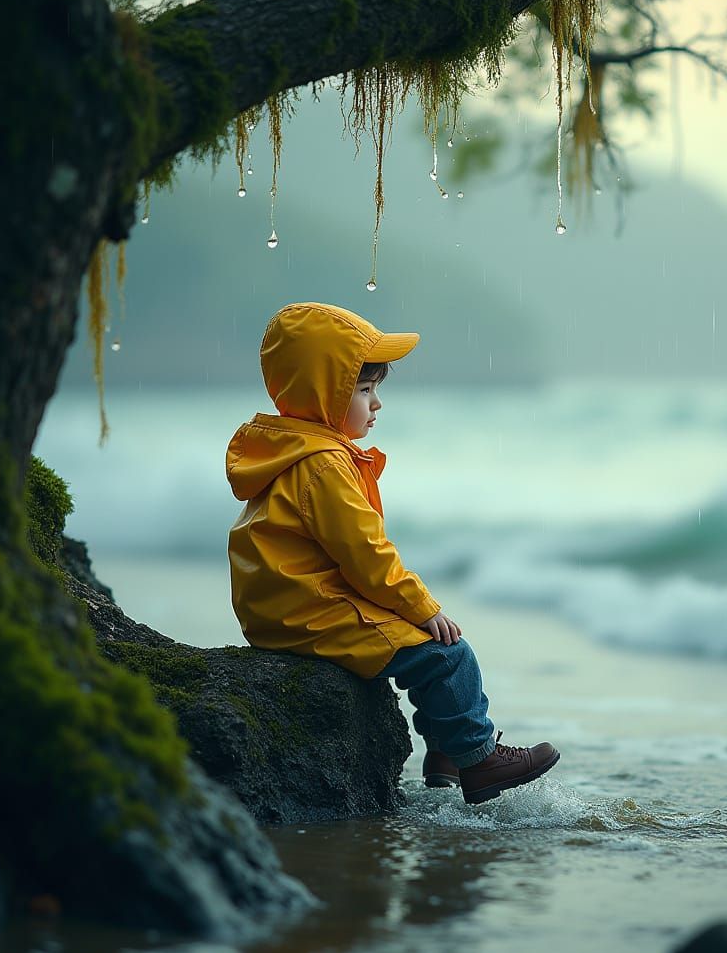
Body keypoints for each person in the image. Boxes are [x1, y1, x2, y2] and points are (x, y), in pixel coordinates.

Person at [225, 301, 560, 805]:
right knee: (446, 655)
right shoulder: (323, 465)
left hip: (286, 606)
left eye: (376, 388)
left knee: (422, 644)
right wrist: (423, 607)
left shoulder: (289, 450)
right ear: (323, 393)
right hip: (309, 610)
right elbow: (366, 556)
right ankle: (478, 759)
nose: (376, 403)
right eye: (363, 389)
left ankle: (448, 751)